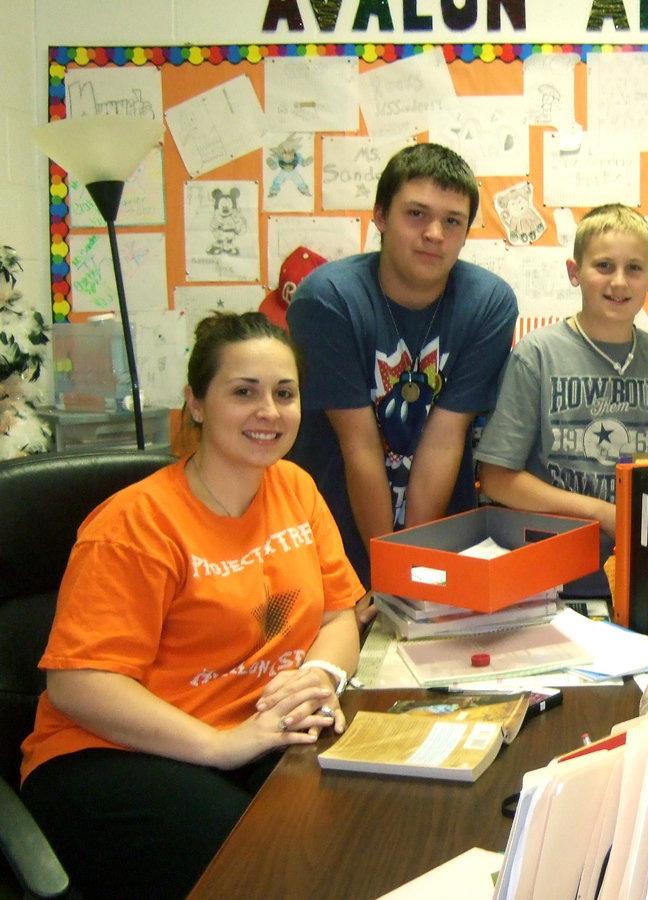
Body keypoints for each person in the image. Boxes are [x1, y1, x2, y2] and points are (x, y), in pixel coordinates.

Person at [20, 312, 365, 900]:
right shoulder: (135, 524)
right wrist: (221, 745)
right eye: (243, 392)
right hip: (112, 754)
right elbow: (76, 684)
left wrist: (319, 675)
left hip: (254, 732)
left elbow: (340, 615)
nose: (270, 411)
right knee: (271, 872)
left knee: (371, 823)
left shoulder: (297, 489)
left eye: (285, 393)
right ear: (197, 404)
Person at [287, 143, 518, 589]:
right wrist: (387, 575)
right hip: (330, 537)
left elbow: (446, 438)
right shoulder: (327, 299)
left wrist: (409, 571)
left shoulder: (487, 303)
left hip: (437, 539)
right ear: (380, 217)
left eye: (452, 221)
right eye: (416, 214)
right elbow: (358, 445)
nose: (435, 233)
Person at [475, 203, 648, 591]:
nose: (619, 282)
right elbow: (496, 479)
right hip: (548, 570)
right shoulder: (537, 356)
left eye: (633, 268)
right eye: (603, 266)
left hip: (644, 573)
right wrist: (603, 513)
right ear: (574, 272)